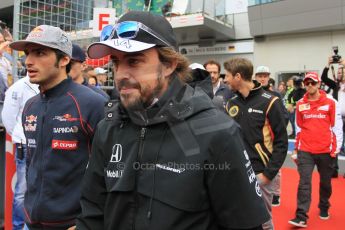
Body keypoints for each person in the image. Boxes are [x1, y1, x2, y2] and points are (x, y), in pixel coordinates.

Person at [76, 11, 269, 230]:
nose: (120, 74)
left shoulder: (216, 132)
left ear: (169, 65)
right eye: (116, 62)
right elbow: (91, 214)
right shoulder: (108, 127)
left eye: (134, 61)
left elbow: (244, 225)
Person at [9, 25, 106, 229]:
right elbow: (32, 164)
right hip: (32, 220)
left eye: (40, 53)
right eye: (27, 54)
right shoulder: (31, 106)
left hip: (71, 223)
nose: (28, 61)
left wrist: (89, 221)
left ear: (64, 60)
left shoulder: (91, 103)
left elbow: (111, 171)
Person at [224, 58, 288, 230]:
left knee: (264, 223)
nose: (225, 79)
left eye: (228, 75)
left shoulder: (270, 101)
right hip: (238, 173)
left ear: (238, 76)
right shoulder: (231, 103)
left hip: (261, 173)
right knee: (240, 219)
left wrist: (267, 175)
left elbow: (282, 143)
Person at [288, 72, 343, 228]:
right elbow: (298, 128)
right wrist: (296, 149)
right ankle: (301, 216)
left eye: (313, 82)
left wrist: (336, 148)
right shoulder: (300, 104)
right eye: (307, 83)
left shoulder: (331, 102)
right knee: (304, 182)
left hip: (326, 150)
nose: (310, 85)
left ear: (319, 84)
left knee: (325, 183)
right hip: (305, 149)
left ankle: (324, 206)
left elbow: (337, 127)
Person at [1, 75, 39, 230]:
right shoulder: (18, 87)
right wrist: (20, 136)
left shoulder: (52, 87)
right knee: (22, 193)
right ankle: (18, 227)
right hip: (25, 145)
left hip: (45, 145)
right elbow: (8, 118)